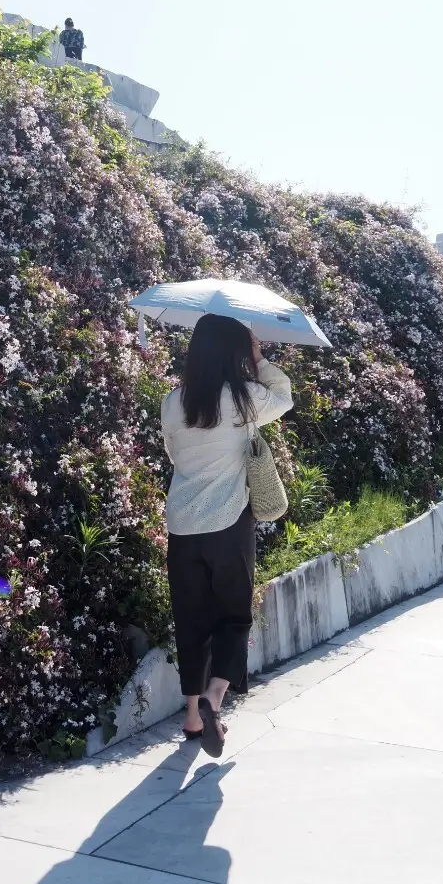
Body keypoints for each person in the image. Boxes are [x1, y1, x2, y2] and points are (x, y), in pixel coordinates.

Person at [161, 314, 293, 758]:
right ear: (233, 353)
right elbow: (284, 398)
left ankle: (192, 718)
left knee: (191, 620)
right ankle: (215, 698)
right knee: (234, 616)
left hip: (182, 527)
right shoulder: (243, 399)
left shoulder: (172, 401)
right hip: (229, 523)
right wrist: (259, 360)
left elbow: (173, 453)